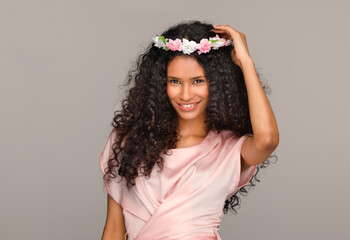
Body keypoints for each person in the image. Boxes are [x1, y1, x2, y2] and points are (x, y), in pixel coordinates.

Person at [100, 20, 279, 240]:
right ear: (159, 84)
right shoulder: (127, 142)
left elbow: (267, 140)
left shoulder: (228, 149)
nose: (185, 95)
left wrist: (245, 63)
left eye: (197, 81)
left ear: (218, 83)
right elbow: (113, 230)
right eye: (175, 81)